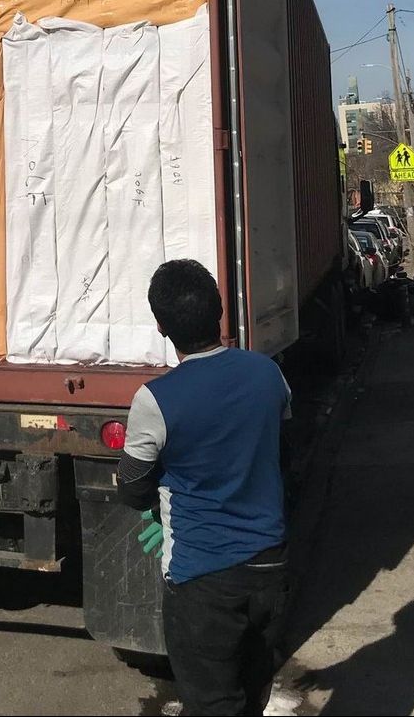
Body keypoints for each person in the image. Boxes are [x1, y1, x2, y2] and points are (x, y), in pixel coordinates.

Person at [118, 259, 291, 717]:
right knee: (252, 698)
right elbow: (282, 453)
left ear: (161, 327)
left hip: (201, 580)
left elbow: (132, 485)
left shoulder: (155, 400)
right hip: (270, 569)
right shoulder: (268, 374)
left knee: (213, 705)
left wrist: (155, 505)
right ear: (219, 311)